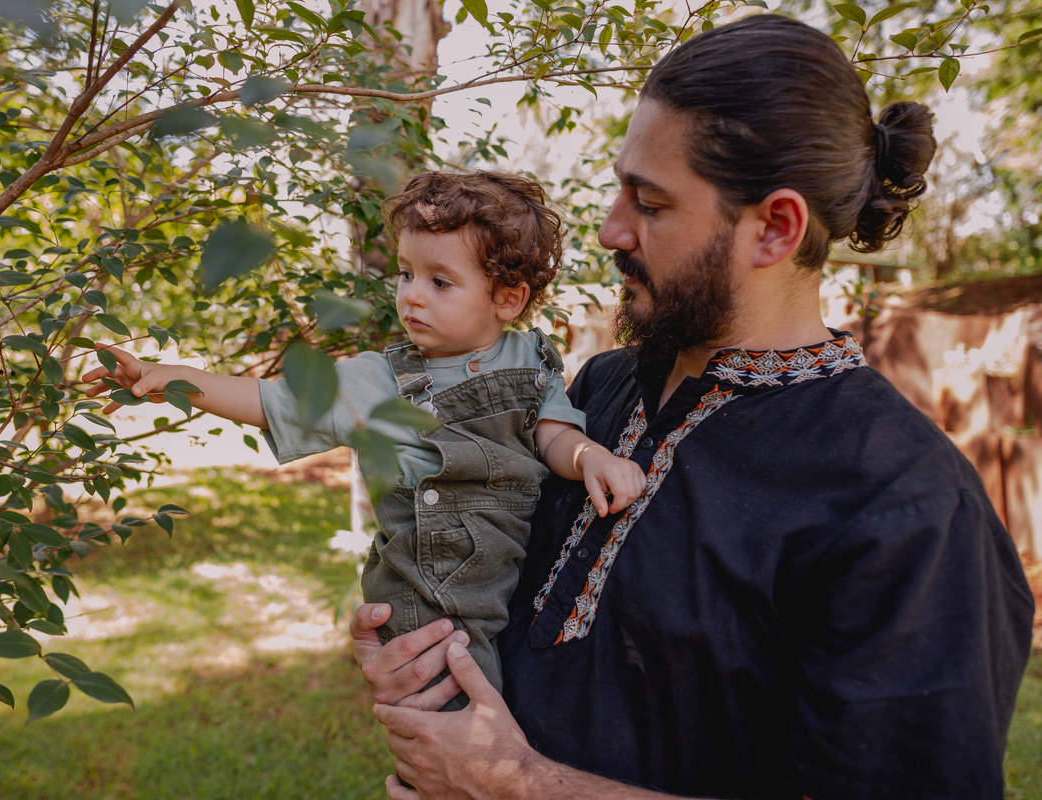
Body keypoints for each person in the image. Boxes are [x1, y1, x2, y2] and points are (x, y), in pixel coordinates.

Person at [350, 14, 1036, 800]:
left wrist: (517, 784)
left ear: (775, 228)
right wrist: (415, 636)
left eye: (650, 203)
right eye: (619, 189)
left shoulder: (905, 505)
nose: (610, 228)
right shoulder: (597, 390)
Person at [82, 170, 646, 705]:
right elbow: (268, 400)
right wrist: (171, 380)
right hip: (429, 599)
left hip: (506, 582)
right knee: (462, 724)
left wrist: (590, 457)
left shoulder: (531, 359)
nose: (411, 296)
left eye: (439, 281)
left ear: (508, 299)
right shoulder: (382, 380)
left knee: (513, 707)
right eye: (405, 274)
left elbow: (553, 432)